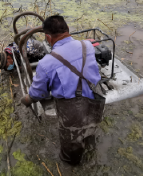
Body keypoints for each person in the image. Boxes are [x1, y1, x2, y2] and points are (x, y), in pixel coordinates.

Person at [20, 15, 105, 165]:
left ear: (48, 37)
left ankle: (71, 165)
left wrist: (27, 99)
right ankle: (90, 148)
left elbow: (39, 93)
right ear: (68, 30)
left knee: (71, 143)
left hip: (72, 108)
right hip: (95, 97)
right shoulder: (87, 45)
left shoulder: (47, 63)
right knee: (91, 126)